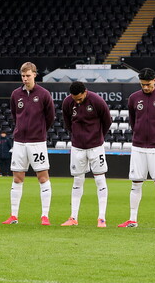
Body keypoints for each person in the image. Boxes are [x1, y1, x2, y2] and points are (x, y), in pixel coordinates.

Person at [118, 67, 155, 229]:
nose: (145, 87)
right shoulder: (133, 98)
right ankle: (132, 219)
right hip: (137, 147)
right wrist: (138, 134)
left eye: (148, 84)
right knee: (136, 183)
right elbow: (132, 120)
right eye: (143, 84)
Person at [3, 61, 55, 225]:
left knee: (42, 177)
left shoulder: (44, 94)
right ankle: (14, 216)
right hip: (19, 142)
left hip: (37, 142)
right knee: (17, 178)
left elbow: (50, 117)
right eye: (23, 76)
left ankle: (44, 215)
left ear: (35, 74)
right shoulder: (15, 94)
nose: (25, 79)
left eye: (28, 75)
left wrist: (39, 131)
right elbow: (14, 114)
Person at [60, 81, 112, 228]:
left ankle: (101, 218)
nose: (77, 101)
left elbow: (107, 121)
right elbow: (67, 123)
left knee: (100, 180)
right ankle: (73, 217)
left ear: (85, 92)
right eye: (74, 98)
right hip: (77, 147)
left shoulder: (97, 101)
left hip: (96, 147)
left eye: (80, 98)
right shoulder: (67, 102)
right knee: (77, 180)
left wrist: (97, 137)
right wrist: (77, 136)